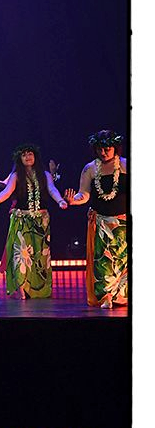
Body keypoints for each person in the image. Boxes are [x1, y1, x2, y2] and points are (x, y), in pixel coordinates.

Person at [0, 143, 66, 299]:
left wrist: (60, 200)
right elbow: (7, 191)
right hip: (21, 220)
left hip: (41, 221)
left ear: (35, 156)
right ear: (19, 159)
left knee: (40, 256)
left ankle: (38, 288)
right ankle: (21, 287)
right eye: (24, 155)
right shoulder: (16, 176)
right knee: (21, 254)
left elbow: (52, 189)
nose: (27, 157)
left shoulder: (45, 175)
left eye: (30, 154)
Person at [64, 130, 128, 308]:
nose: (103, 152)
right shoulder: (90, 168)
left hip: (123, 223)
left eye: (107, 149)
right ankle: (106, 296)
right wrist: (73, 201)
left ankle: (122, 296)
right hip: (101, 222)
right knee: (103, 261)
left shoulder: (126, 165)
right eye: (100, 149)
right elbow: (83, 194)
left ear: (115, 148)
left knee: (123, 260)